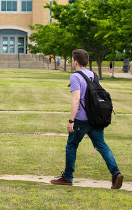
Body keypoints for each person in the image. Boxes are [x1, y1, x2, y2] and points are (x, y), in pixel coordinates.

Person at [51, 49, 123, 189]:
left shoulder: (75, 77)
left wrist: (71, 120)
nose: (72, 61)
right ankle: (116, 173)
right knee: (101, 145)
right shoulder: (93, 75)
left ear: (75, 61)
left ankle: (68, 177)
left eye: (72, 59)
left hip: (81, 119)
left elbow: (76, 99)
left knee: (72, 145)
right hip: (95, 118)